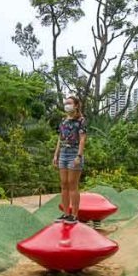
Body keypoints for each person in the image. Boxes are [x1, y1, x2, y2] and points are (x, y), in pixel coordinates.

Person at [52, 96, 86, 224]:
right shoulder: (63, 121)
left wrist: (79, 156)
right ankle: (66, 214)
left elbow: (82, 139)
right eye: (65, 103)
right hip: (63, 154)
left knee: (73, 184)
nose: (67, 105)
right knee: (64, 184)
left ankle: (74, 215)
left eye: (69, 103)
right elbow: (60, 139)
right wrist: (56, 155)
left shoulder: (81, 120)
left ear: (76, 105)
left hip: (74, 153)